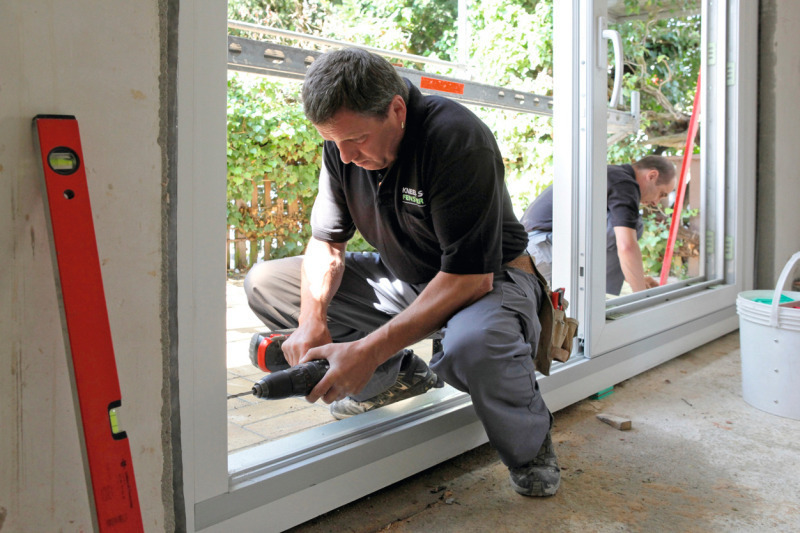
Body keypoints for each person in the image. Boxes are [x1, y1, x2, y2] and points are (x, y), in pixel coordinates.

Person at [244, 48, 560, 497]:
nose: (346, 156)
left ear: (396, 109)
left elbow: (470, 278)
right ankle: (400, 376)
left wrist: (366, 349)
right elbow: (327, 243)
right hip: (406, 278)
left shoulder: (455, 138)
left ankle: (530, 445)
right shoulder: (343, 147)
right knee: (268, 283)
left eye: (356, 140)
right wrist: (311, 321)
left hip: (488, 280)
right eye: (335, 143)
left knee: (474, 345)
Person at [520, 156, 677, 295]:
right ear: (652, 175)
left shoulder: (613, 176)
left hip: (537, 247)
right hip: (540, 248)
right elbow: (626, 245)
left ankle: (596, 298)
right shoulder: (625, 183)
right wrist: (642, 299)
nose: (656, 202)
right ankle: (599, 299)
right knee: (634, 224)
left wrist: (638, 278)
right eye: (662, 193)